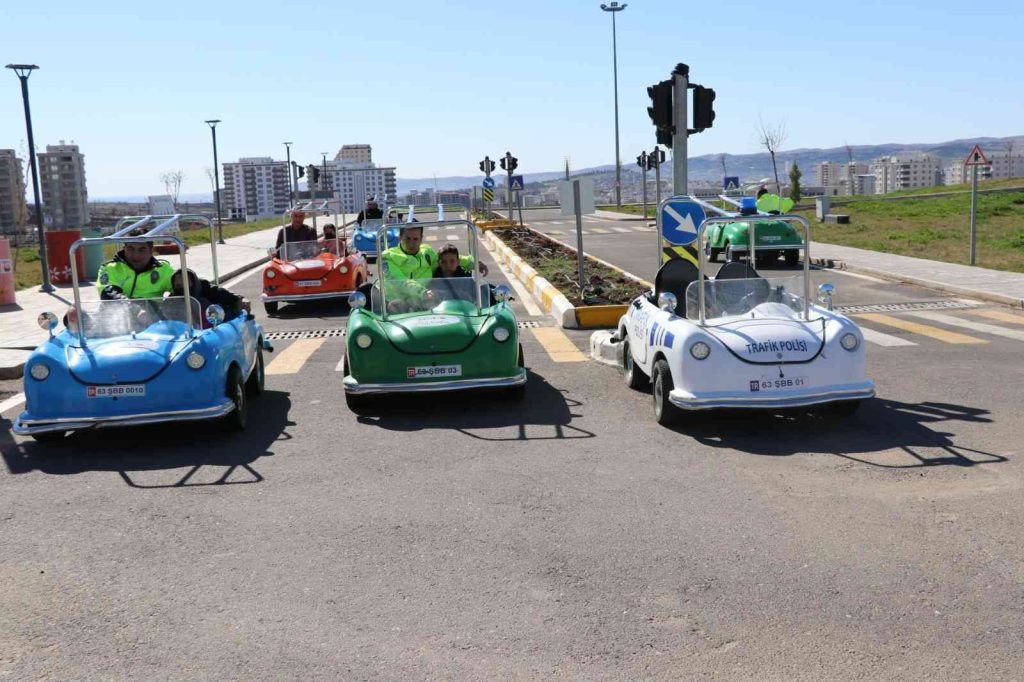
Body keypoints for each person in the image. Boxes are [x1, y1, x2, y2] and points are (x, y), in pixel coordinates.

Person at [380, 226, 487, 311]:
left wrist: (472, 263)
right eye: (407, 238)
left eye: (415, 239)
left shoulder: (426, 253)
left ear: (421, 238)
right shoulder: (387, 257)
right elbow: (399, 281)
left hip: (426, 302)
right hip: (397, 305)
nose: (411, 243)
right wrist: (423, 293)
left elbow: (444, 258)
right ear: (400, 237)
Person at [96, 227, 175, 300]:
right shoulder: (110, 268)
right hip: (118, 313)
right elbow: (108, 293)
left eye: (142, 249)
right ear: (124, 249)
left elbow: (184, 289)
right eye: (131, 249)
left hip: (153, 314)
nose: (135, 255)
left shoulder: (164, 270)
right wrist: (133, 307)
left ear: (151, 251)